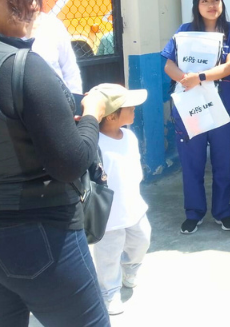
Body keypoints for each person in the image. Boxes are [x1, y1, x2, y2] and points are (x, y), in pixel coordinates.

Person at [0, 0, 110, 326]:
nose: (32, 9)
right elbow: (69, 163)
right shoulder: (20, 67)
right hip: (40, 236)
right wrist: (93, 115)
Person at [162, 0, 230, 234]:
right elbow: (169, 65)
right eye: (204, 1)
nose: (211, 5)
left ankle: (223, 212)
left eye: (215, 0)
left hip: (223, 108)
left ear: (222, 3)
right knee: (192, 163)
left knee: (223, 164)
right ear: (196, 5)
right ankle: (194, 212)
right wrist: (184, 79)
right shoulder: (184, 32)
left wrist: (198, 77)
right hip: (191, 107)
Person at [90, 83, 151, 316]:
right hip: (107, 215)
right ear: (111, 115)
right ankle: (110, 292)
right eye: (129, 107)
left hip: (133, 206)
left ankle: (130, 269)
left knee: (142, 240)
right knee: (108, 255)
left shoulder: (130, 136)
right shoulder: (94, 142)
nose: (134, 109)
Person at [26, 11, 84, 94]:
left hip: (59, 97)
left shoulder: (53, 24)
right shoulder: (9, 29)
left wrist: (74, 98)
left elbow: (70, 70)